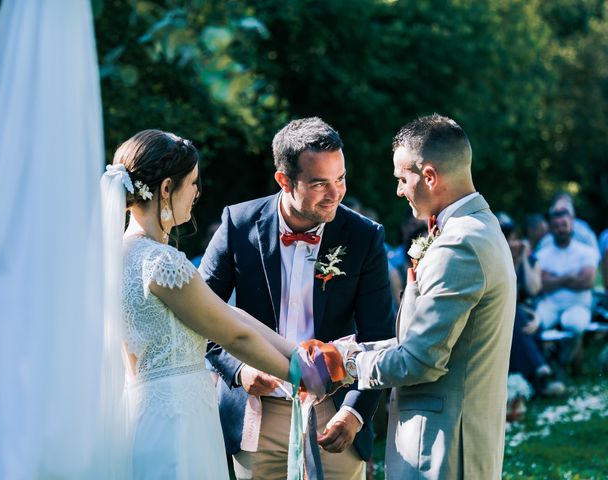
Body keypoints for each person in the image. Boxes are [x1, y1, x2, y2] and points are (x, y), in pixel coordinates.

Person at [199, 117, 395, 480]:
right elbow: (200, 315)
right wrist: (240, 370)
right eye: (320, 183)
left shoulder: (364, 237)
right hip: (256, 415)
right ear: (284, 180)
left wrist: (353, 414)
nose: (335, 193)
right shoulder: (238, 224)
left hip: (334, 411)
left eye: (340, 179)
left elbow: (379, 337)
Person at [99, 129, 296, 479]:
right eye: (192, 183)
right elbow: (235, 336)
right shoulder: (162, 262)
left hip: (144, 415)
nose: (197, 193)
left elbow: (229, 314)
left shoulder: (115, 257)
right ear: (165, 189)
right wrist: (299, 375)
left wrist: (296, 352)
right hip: (179, 421)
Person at [333, 114, 516, 479]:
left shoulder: (460, 243)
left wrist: (348, 363)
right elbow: (426, 340)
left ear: (429, 176)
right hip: (445, 438)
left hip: (442, 448)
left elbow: (421, 360)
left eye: (403, 178)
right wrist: (357, 348)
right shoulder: (481, 227)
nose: (399, 190)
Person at [497, 212, 566, 397]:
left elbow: (534, 289)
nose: (511, 243)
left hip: (528, 313)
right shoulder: (497, 263)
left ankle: (533, 379)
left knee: (520, 322)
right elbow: (508, 296)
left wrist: (524, 259)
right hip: (506, 313)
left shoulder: (532, 260)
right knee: (515, 320)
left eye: (512, 239)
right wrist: (513, 261)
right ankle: (540, 373)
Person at [535, 207, 599, 367]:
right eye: (556, 226)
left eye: (564, 225)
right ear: (550, 228)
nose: (560, 229)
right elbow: (542, 284)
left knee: (574, 325)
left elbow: (587, 282)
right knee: (535, 324)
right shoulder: (543, 254)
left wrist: (555, 278)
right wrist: (570, 277)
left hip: (578, 304)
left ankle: (565, 366)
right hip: (550, 305)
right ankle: (545, 365)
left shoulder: (586, 251)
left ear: (572, 225)